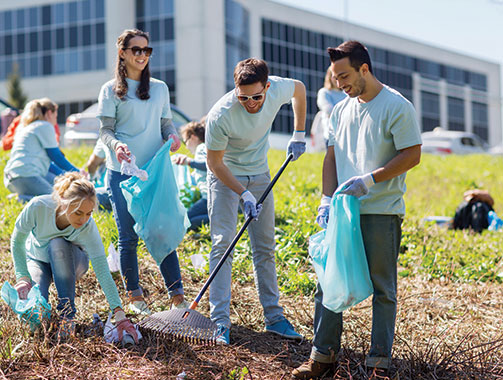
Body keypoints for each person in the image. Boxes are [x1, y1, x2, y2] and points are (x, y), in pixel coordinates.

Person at [292, 41, 422, 379]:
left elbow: (412, 154)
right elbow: (331, 157)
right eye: (336, 78)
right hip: (343, 210)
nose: (340, 84)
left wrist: (370, 179)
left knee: (383, 290)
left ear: (365, 69)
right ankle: (322, 358)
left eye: (345, 76)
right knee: (328, 283)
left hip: (381, 210)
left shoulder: (396, 106)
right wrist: (325, 200)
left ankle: (378, 364)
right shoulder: (339, 110)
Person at [205, 58, 307, 345]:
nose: (250, 102)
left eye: (256, 96)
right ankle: (219, 323)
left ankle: (274, 318)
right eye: (243, 97)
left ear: (268, 87)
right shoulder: (221, 114)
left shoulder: (278, 90)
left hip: (260, 173)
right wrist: (243, 193)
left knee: (264, 246)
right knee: (222, 242)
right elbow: (214, 163)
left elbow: (300, 89)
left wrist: (299, 133)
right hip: (225, 176)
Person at [97, 29, 188, 316]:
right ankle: (135, 297)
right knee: (128, 237)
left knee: (162, 232)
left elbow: (166, 125)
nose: (142, 55)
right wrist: (117, 146)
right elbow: (105, 131)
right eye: (136, 50)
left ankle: (178, 297)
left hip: (154, 173)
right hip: (122, 172)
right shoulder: (109, 90)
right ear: (122, 52)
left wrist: (173, 137)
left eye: (146, 50)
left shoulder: (159, 88)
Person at [11, 172, 139, 344]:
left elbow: (101, 268)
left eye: (88, 214)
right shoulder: (38, 207)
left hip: (71, 263)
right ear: (63, 202)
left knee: (57, 243)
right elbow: (17, 240)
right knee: (35, 318)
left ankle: (67, 317)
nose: (84, 219)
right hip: (39, 261)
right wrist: (22, 277)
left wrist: (119, 313)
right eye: (78, 213)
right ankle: (42, 314)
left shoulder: (87, 227)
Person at [4, 98, 80, 203]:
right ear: (49, 113)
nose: (55, 120)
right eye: (56, 116)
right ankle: (21, 199)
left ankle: (24, 195)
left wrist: (67, 176)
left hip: (12, 177)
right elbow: (56, 156)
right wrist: (78, 173)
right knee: (57, 202)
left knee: (60, 187)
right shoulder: (44, 126)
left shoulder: (26, 127)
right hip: (26, 176)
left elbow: (48, 165)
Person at [172, 120, 209, 231]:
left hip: (209, 198)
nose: (187, 147)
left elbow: (208, 165)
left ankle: (218, 221)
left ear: (192, 137)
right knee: (188, 221)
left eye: (185, 142)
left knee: (185, 221)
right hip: (210, 198)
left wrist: (189, 162)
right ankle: (219, 220)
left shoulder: (201, 148)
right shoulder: (205, 149)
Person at [311, 67, 346, 149]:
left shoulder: (346, 95)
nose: (337, 79)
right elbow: (329, 111)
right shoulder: (324, 92)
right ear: (329, 77)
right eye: (334, 76)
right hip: (331, 136)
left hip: (346, 136)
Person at [84, 139, 112, 212]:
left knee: (83, 197)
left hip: (112, 194)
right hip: (141, 191)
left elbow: (92, 164)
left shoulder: (106, 136)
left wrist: (90, 179)